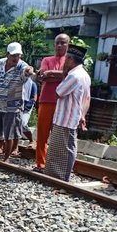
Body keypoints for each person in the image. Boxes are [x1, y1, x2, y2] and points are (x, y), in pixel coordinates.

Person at [44, 44, 91, 181]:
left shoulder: (74, 76)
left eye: (66, 59)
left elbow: (58, 92)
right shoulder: (84, 75)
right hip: (70, 117)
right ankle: (55, 175)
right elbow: (86, 98)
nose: (65, 61)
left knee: (64, 149)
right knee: (61, 148)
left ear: (71, 59)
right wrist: (83, 115)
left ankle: (61, 176)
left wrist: (63, 72)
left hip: (66, 118)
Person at [0, 42, 34, 161]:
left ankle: (6, 159)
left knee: (9, 135)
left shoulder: (22, 66)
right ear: (7, 55)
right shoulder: (0, 63)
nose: (16, 58)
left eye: (18, 55)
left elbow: (27, 71)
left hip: (13, 106)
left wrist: (29, 71)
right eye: (13, 55)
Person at [35, 34, 70, 172]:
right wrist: (60, 75)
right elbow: (43, 76)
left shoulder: (70, 61)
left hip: (63, 102)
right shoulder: (47, 59)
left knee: (60, 135)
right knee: (42, 133)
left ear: (68, 45)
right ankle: (41, 164)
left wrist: (51, 74)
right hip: (46, 100)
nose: (60, 45)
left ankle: (57, 165)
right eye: (57, 43)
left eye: (63, 42)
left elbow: (69, 76)